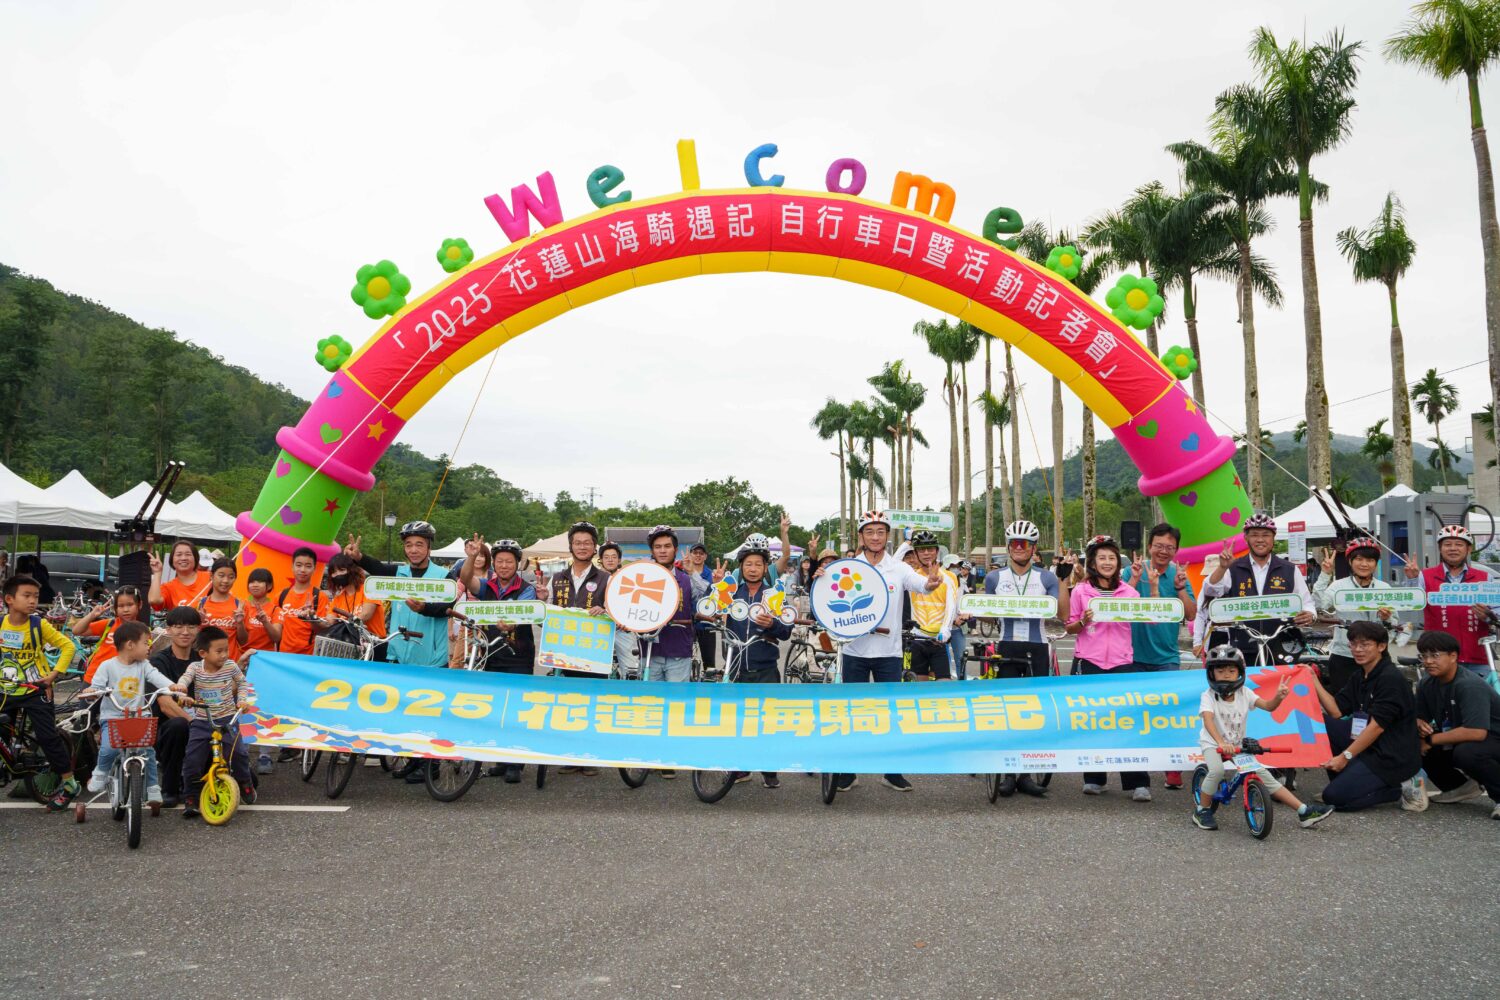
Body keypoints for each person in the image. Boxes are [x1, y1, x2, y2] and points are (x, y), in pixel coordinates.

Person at [830, 510, 943, 793]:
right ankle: (847, 772)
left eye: (881, 532)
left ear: (887, 536)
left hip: (889, 652)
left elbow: (920, 585)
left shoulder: (899, 568)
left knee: (891, 714)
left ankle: (892, 771)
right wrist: (821, 575)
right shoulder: (849, 566)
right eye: (870, 532)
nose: (876, 537)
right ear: (861, 536)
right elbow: (828, 594)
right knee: (851, 714)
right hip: (854, 651)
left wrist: (930, 582)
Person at [1191, 645, 1334, 830]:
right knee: (1217, 770)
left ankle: (1304, 811)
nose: (1226, 674)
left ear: (1240, 672)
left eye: (1231, 670)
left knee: (1265, 776)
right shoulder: (1208, 696)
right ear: (1211, 673)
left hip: (1235, 744)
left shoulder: (1245, 693)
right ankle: (1202, 811)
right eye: (1220, 670)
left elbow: (1268, 706)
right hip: (1213, 742)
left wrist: (1279, 697)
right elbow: (1208, 720)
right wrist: (1220, 742)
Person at [979, 520, 1066, 799]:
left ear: (1033, 548)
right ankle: (1007, 774)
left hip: (1037, 646)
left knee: (1032, 713)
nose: (1019, 548)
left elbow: (1060, 615)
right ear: (1008, 547)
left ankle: (1026, 774)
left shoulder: (1046, 578)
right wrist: (975, 608)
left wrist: (1063, 580)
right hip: (1007, 647)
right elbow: (986, 616)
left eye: (1024, 544)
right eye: (1014, 543)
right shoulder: (994, 578)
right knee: (1007, 713)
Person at [1307, 620, 1421, 811]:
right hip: (1367, 745)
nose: (1357, 649)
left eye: (1365, 644)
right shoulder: (1361, 675)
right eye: (1353, 644)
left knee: (1333, 798)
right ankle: (1345, 782)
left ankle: (1400, 788)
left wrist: (1345, 756)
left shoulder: (1390, 679)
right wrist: (1313, 679)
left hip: (1390, 755)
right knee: (1318, 722)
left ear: (1381, 646)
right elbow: (1336, 710)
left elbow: (1377, 727)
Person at [1067, 535, 1150, 799]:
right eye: (1101, 558)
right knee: (1091, 721)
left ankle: (1138, 782)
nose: (1106, 562)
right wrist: (1083, 621)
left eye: (1111, 558)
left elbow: (1149, 618)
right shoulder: (1081, 591)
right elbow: (1070, 627)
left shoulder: (1129, 592)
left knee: (1128, 722)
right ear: (1092, 562)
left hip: (1122, 662)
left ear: (1118, 563)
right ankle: (1094, 778)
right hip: (1088, 662)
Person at [1121, 524, 1198, 790]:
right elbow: (1116, 604)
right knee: (1133, 717)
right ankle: (1137, 776)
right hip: (1131, 654)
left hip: (1166, 656)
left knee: (1169, 715)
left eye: (1169, 547)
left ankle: (1172, 768)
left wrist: (1179, 589)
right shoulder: (1133, 570)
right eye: (1159, 546)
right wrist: (1133, 579)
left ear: (1176, 550)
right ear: (1149, 546)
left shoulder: (1179, 574)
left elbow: (1190, 614)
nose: (1163, 551)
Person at [83, 620, 187, 811]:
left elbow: (156, 677)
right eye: (145, 643)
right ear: (130, 645)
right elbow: (96, 688)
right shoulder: (107, 666)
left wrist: (172, 686)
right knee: (109, 748)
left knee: (148, 751)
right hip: (113, 717)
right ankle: (101, 772)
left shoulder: (144, 665)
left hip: (140, 716)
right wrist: (93, 691)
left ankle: (153, 786)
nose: (149, 647)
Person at [1, 574, 81, 809]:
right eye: (26, 596)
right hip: (6, 689)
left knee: (47, 737)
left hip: (37, 689)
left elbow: (67, 646)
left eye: (35, 596)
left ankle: (69, 784)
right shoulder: (0, 624)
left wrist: (54, 675)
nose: (32, 601)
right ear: (9, 599)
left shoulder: (38, 625)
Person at [1200, 513, 1316, 665]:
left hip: (1281, 647)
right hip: (1241, 647)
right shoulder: (1233, 568)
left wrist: (1310, 615)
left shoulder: (1289, 569)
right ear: (1246, 538)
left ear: (1273, 538)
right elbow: (1210, 591)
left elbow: (1307, 602)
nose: (1260, 540)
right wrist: (1222, 568)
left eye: (1266, 535)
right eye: (1254, 535)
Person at [721, 539, 791, 789]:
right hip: (735, 666)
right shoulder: (730, 594)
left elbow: (786, 631)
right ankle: (740, 768)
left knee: (767, 721)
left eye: (758, 564)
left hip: (765, 668)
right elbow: (708, 615)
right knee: (738, 720)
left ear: (765, 568)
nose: (752, 568)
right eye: (748, 564)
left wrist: (772, 624)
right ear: (740, 567)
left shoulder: (774, 595)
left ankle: (769, 770)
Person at [1413, 630, 1500, 818]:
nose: (1428, 661)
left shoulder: (1469, 685)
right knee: (1414, 742)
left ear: (1453, 656)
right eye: (1424, 655)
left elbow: (1476, 732)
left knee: (1468, 752)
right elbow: (1419, 716)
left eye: (1435, 655)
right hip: (1463, 735)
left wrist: (1431, 739)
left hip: (1493, 737)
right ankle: (1460, 787)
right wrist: (1419, 725)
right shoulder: (1426, 684)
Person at [346, 522, 454, 667]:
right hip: (398, 656)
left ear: (429, 548)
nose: (413, 550)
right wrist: (359, 557)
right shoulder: (399, 573)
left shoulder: (444, 576)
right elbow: (378, 568)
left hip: (432, 660)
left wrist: (423, 608)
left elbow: (447, 607)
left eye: (419, 545)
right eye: (408, 545)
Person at [178, 625, 254, 819]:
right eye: (219, 651)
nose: (224, 655)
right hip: (203, 720)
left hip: (228, 718)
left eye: (226, 650)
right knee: (192, 760)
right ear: (203, 653)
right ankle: (191, 797)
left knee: (238, 753)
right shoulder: (195, 668)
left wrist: (242, 700)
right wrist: (180, 690)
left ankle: (245, 783)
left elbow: (243, 682)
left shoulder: (230, 666)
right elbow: (184, 680)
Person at [1405, 524, 1498, 681]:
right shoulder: (1424, 576)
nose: (1453, 548)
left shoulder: (1485, 578)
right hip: (1436, 658)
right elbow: (1411, 604)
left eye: (1459, 544)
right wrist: (1413, 579)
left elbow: (1497, 614)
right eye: (1447, 544)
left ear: (1468, 549)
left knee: (1477, 703)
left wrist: (1488, 616)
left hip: (1476, 657)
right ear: (1440, 549)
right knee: (1438, 703)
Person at [1313, 536, 1395, 695]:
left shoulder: (1384, 588)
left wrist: (1387, 619)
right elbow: (1319, 605)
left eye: (1370, 560)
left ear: (1376, 563)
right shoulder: (1338, 586)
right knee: (1344, 703)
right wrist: (1325, 575)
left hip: (1377, 655)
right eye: (1359, 559)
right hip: (1344, 653)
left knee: (1380, 699)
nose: (1364, 564)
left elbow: (1395, 622)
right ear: (1350, 561)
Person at [149, 605, 200, 808]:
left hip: (199, 722)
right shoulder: (158, 662)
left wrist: (239, 666)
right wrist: (195, 724)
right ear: (168, 630)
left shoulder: (202, 659)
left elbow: (221, 688)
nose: (185, 632)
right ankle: (169, 788)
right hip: (166, 730)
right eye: (178, 627)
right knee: (179, 725)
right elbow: (165, 705)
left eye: (191, 626)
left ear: (198, 629)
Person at [905, 531, 959, 681]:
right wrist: (905, 544)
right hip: (916, 639)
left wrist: (945, 629)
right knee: (918, 690)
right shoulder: (911, 576)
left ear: (937, 551)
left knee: (943, 686)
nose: (926, 553)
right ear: (915, 554)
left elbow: (951, 606)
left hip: (938, 640)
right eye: (922, 549)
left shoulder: (949, 577)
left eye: (930, 549)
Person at [74, 585, 150, 683]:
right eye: (121, 606)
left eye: (130, 605)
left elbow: (144, 657)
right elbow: (76, 630)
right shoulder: (109, 623)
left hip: (123, 682)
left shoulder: (143, 630)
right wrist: (92, 615)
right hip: (94, 677)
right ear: (115, 608)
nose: (126, 609)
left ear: (139, 605)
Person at [274, 547, 334, 657]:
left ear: (314, 569)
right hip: (282, 656)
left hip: (309, 657)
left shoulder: (320, 597)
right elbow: (276, 631)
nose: (302, 570)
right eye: (298, 565)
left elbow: (323, 630)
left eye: (308, 566)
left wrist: (311, 618)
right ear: (292, 567)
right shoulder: (280, 596)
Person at [193, 558, 245, 661]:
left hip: (231, 665)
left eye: (231, 577)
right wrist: (199, 624)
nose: (225, 581)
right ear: (212, 576)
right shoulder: (200, 604)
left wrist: (240, 624)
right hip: (206, 666)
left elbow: (243, 641)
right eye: (221, 576)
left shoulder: (240, 605)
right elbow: (192, 639)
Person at [325, 553, 385, 641]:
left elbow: (366, 614)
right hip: (352, 644)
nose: (338, 574)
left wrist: (347, 623)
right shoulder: (338, 599)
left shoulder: (368, 589)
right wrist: (312, 618)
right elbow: (329, 621)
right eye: (334, 572)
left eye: (342, 570)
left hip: (375, 643)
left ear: (351, 570)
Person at [148, 540, 211, 610]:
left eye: (188, 554)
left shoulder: (210, 578)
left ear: (195, 558)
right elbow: (153, 600)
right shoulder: (169, 587)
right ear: (172, 560)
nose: (183, 558)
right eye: (179, 555)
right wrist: (157, 573)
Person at [239, 567, 283, 664]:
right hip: (244, 658)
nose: (255, 585)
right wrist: (239, 622)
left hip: (266, 660)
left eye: (259, 581)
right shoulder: (241, 606)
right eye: (252, 582)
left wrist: (265, 622)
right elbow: (240, 640)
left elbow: (276, 638)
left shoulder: (276, 610)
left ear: (270, 586)